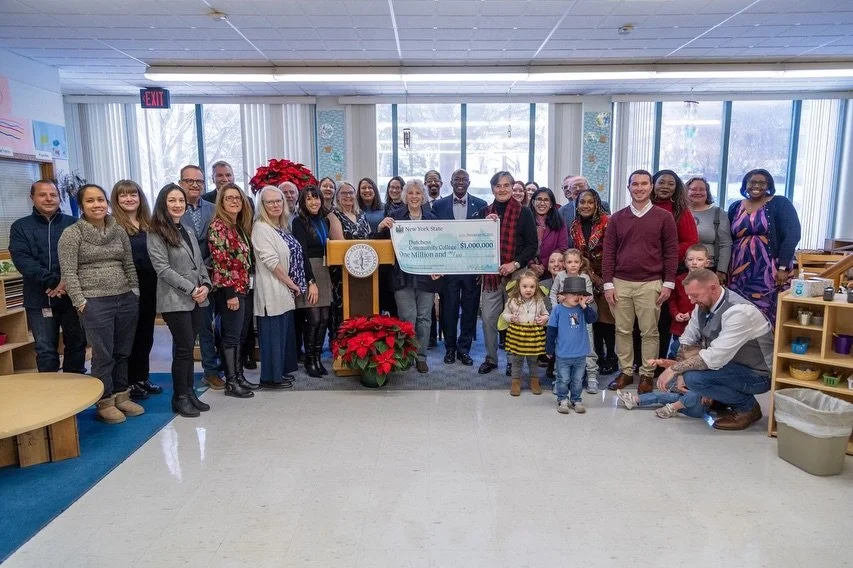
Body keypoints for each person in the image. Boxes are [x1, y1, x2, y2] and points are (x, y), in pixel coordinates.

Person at [58, 184, 143, 424]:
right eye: (90, 201)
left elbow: (128, 263)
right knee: (103, 354)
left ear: (107, 202)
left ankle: (121, 395)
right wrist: (80, 301)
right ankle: (104, 402)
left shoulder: (118, 230)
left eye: (100, 200)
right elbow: (69, 272)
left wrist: (134, 291)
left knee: (122, 351)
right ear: (81, 206)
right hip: (94, 301)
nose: (97, 205)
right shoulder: (72, 234)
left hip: (125, 298)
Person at [653, 268, 774, 430]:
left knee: (694, 378)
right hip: (730, 366)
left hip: (758, 374)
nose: (691, 301)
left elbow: (714, 357)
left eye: (695, 295)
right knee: (678, 350)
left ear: (713, 288)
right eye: (689, 296)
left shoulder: (739, 312)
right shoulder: (702, 305)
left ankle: (747, 408)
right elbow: (687, 340)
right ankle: (722, 398)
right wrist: (680, 373)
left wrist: (674, 369)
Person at [602, 169, 679, 394]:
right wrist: (608, 283)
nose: (639, 188)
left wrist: (669, 283)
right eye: (635, 184)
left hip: (651, 282)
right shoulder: (617, 218)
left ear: (651, 187)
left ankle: (647, 374)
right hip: (620, 282)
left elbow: (671, 252)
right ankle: (626, 371)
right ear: (628, 188)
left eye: (644, 184)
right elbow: (609, 252)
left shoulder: (664, 218)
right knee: (622, 330)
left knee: (650, 332)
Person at [147, 183, 212, 417]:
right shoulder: (156, 232)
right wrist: (191, 288)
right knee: (184, 348)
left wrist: (206, 285)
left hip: (197, 298)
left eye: (181, 201)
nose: (177, 205)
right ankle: (180, 397)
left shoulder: (187, 230)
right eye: (172, 200)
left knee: (188, 347)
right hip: (175, 299)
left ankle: (190, 392)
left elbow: (199, 263)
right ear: (163, 204)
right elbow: (163, 269)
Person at [9, 179, 86, 375]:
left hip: (72, 298)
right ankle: (50, 391)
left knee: (77, 345)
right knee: (45, 350)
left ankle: (76, 387)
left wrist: (65, 282)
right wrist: (55, 281)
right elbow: (23, 261)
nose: (48, 199)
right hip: (39, 298)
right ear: (32, 198)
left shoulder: (75, 224)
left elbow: (83, 257)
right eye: (42, 195)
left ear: (59, 198)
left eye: (53, 195)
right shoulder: (20, 227)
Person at [376, 180, 443, 373]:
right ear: (405, 196)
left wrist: (440, 267)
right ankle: (406, 355)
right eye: (411, 193)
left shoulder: (432, 219)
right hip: (401, 276)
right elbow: (381, 245)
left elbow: (440, 247)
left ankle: (421, 357)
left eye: (418, 193)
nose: (414, 197)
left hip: (426, 277)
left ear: (423, 196)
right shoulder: (395, 217)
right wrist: (381, 228)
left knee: (424, 318)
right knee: (407, 317)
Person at [478, 171, 538, 375]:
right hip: (491, 275)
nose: (502, 189)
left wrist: (515, 263)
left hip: (517, 274)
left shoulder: (524, 212)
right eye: (498, 186)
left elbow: (532, 245)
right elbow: (474, 241)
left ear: (513, 188)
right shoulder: (484, 212)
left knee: (516, 318)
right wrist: (485, 225)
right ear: (492, 189)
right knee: (488, 318)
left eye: (506, 185)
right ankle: (491, 358)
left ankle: (514, 360)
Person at [727, 168, 801, 328]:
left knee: (767, 308)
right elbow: (727, 238)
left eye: (762, 183)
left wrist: (783, 266)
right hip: (739, 271)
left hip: (769, 269)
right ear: (745, 184)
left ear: (769, 186)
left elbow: (792, 235)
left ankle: (767, 342)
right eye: (752, 182)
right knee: (738, 309)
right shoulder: (735, 206)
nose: (757, 186)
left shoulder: (780, 203)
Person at [110, 180, 161, 401]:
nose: (129, 199)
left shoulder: (148, 224)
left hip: (150, 286)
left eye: (133, 195)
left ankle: (142, 376)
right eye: (123, 195)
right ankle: (128, 382)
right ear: (116, 199)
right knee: (128, 337)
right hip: (128, 288)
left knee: (146, 334)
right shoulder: (113, 226)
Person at [431, 168, 487, 366]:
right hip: (448, 267)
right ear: (451, 182)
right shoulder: (439, 205)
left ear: (469, 183)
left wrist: (482, 267)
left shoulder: (481, 205)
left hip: (472, 268)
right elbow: (434, 235)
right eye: (457, 179)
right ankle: (450, 348)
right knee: (449, 310)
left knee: (470, 311)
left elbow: (485, 237)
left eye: (464, 179)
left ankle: (464, 350)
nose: (461, 182)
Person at [252, 186, 303, 389]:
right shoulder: (261, 228)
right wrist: (292, 283)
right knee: (272, 335)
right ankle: (270, 379)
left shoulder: (280, 226)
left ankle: (280, 372)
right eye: (270, 202)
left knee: (283, 333)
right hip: (272, 288)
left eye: (278, 200)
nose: (275, 205)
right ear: (262, 205)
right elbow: (271, 262)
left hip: (283, 289)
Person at [208, 183, 255, 398]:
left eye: (238, 198)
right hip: (230, 291)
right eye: (229, 198)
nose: (235, 201)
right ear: (221, 202)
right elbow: (220, 263)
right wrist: (230, 294)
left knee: (239, 335)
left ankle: (239, 376)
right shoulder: (218, 226)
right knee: (231, 337)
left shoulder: (238, 225)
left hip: (243, 287)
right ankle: (231, 382)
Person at [178, 164, 221, 390]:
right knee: (188, 331)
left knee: (208, 326)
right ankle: (187, 376)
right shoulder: (172, 208)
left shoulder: (213, 209)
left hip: (211, 276)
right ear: (180, 183)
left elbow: (220, 241)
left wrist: (207, 268)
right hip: (182, 279)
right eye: (190, 181)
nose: (195, 185)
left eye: (199, 181)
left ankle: (212, 370)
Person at [570, 188, 616, 375]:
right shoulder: (574, 225)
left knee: (607, 320)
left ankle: (611, 357)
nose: (586, 205)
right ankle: (597, 356)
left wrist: (603, 279)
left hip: (608, 275)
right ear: (577, 205)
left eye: (590, 202)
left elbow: (614, 250)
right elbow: (577, 254)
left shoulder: (607, 222)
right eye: (582, 202)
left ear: (597, 204)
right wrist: (589, 275)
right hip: (586, 276)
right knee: (592, 319)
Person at [291, 185, 332, 378]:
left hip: (324, 270)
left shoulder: (324, 220)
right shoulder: (299, 222)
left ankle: (317, 358)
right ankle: (309, 359)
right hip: (310, 271)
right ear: (303, 202)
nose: (314, 202)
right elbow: (302, 254)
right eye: (309, 199)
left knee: (324, 318)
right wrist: (311, 281)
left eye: (316, 198)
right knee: (314, 318)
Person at [550, 249, 599, 393]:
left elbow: (590, 297)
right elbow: (553, 292)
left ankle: (591, 376)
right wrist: (556, 308)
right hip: (564, 316)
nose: (573, 265)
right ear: (564, 264)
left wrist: (580, 300)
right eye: (569, 262)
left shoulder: (585, 277)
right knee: (562, 344)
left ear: (581, 263)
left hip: (581, 316)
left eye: (576, 262)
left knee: (588, 343)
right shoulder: (560, 276)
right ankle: (559, 378)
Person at [546, 276, 598, 414]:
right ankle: (562, 399)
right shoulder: (557, 310)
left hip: (580, 353)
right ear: (565, 295)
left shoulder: (583, 310)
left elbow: (592, 319)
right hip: (563, 354)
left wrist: (585, 306)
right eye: (573, 294)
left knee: (578, 380)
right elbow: (551, 330)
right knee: (563, 379)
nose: (577, 297)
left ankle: (576, 399)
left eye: (580, 294)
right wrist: (549, 348)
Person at [501, 270, 549, 396]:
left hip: (533, 335)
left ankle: (534, 381)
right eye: (525, 286)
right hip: (517, 335)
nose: (528, 290)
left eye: (532, 287)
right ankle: (515, 382)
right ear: (519, 287)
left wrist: (544, 318)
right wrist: (511, 318)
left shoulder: (539, 301)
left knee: (533, 360)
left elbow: (546, 314)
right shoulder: (512, 300)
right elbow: (505, 314)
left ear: (536, 287)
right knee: (517, 360)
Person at [667, 244, 710, 359]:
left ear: (707, 263)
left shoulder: (709, 282)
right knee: (678, 352)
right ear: (685, 262)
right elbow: (672, 300)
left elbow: (709, 304)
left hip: (701, 328)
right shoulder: (679, 280)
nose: (694, 263)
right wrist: (676, 314)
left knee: (695, 355)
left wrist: (691, 314)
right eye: (690, 259)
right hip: (680, 326)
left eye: (699, 259)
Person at [686, 177, 732, 283]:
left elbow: (725, 243)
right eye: (693, 189)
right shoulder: (679, 211)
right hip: (681, 268)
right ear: (686, 191)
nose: (698, 192)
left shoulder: (718, 213)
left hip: (709, 269)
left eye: (702, 189)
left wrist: (721, 270)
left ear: (707, 192)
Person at [528, 187, 568, 280]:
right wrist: (531, 265)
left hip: (552, 271)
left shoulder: (559, 222)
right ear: (533, 202)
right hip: (528, 270)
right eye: (539, 199)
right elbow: (520, 246)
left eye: (546, 200)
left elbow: (562, 247)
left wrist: (544, 265)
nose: (542, 203)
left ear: (551, 204)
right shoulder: (525, 220)